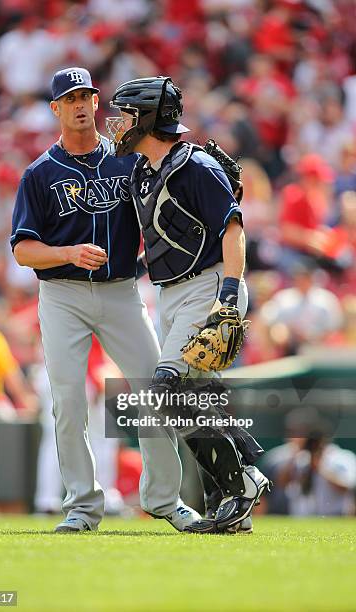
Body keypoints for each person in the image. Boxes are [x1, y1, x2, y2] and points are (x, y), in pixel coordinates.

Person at [11, 67, 201, 533]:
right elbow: (21, 249)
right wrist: (67, 252)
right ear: (55, 108)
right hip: (61, 294)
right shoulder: (39, 173)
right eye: (70, 98)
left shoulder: (128, 161)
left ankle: (165, 500)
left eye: (86, 96)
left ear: (98, 103)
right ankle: (82, 506)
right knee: (69, 400)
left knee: (155, 389)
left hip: (120, 292)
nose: (80, 105)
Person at [107, 76, 269, 534]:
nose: (119, 124)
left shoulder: (194, 165)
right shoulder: (142, 170)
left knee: (166, 390)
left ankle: (240, 485)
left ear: (148, 118)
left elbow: (233, 229)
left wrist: (230, 294)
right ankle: (236, 495)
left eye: (127, 114)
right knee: (198, 395)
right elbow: (164, 239)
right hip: (170, 292)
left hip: (208, 283)